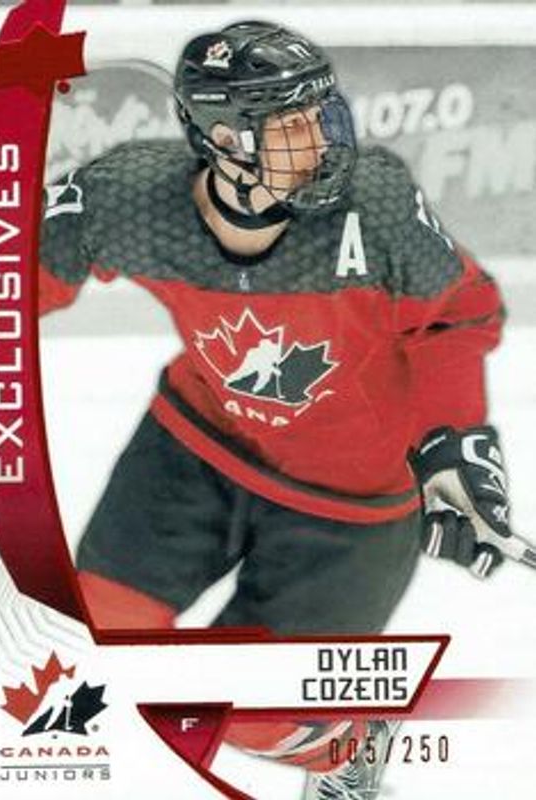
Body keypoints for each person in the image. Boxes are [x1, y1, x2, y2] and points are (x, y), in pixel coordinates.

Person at [39, 21, 512, 800]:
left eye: (320, 115)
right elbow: (9, 279)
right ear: (223, 139)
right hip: (198, 449)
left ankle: (348, 745)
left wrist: (452, 442)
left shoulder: (373, 207)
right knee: (99, 637)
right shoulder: (129, 199)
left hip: (355, 504)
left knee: (252, 710)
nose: (322, 141)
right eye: (291, 125)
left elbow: (458, 313)